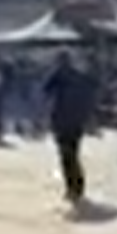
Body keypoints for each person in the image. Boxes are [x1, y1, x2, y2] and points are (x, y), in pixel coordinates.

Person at [44, 51, 99, 204]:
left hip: (61, 120)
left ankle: (72, 187)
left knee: (66, 156)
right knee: (73, 153)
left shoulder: (57, 76)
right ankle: (78, 186)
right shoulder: (80, 76)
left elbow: (45, 93)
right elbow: (92, 90)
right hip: (76, 121)